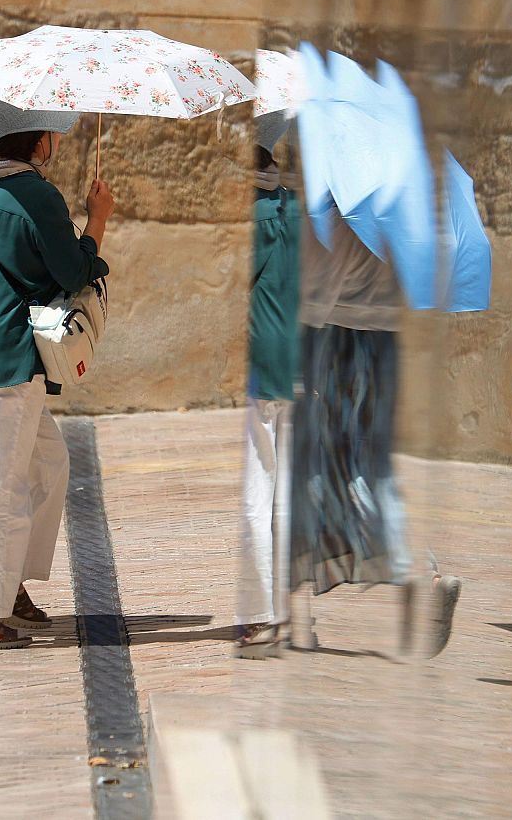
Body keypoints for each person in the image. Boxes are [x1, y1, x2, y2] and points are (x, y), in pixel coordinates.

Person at [0, 95, 114, 652]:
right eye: (54, 135)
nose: (58, 144)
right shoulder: (35, 194)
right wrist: (98, 222)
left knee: (49, 464)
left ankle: (5, 584)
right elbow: (71, 270)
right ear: (38, 139)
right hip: (7, 356)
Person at [290, 202, 461, 658]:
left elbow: (322, 276)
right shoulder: (403, 187)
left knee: (335, 470)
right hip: (385, 338)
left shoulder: (350, 190)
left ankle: (420, 575)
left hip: (340, 338)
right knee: (362, 465)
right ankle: (293, 610)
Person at [236, 115, 301, 659]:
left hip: (256, 364)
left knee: (257, 491)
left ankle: (259, 617)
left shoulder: (246, 220)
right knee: (278, 487)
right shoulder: (294, 212)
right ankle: (277, 608)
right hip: (293, 361)